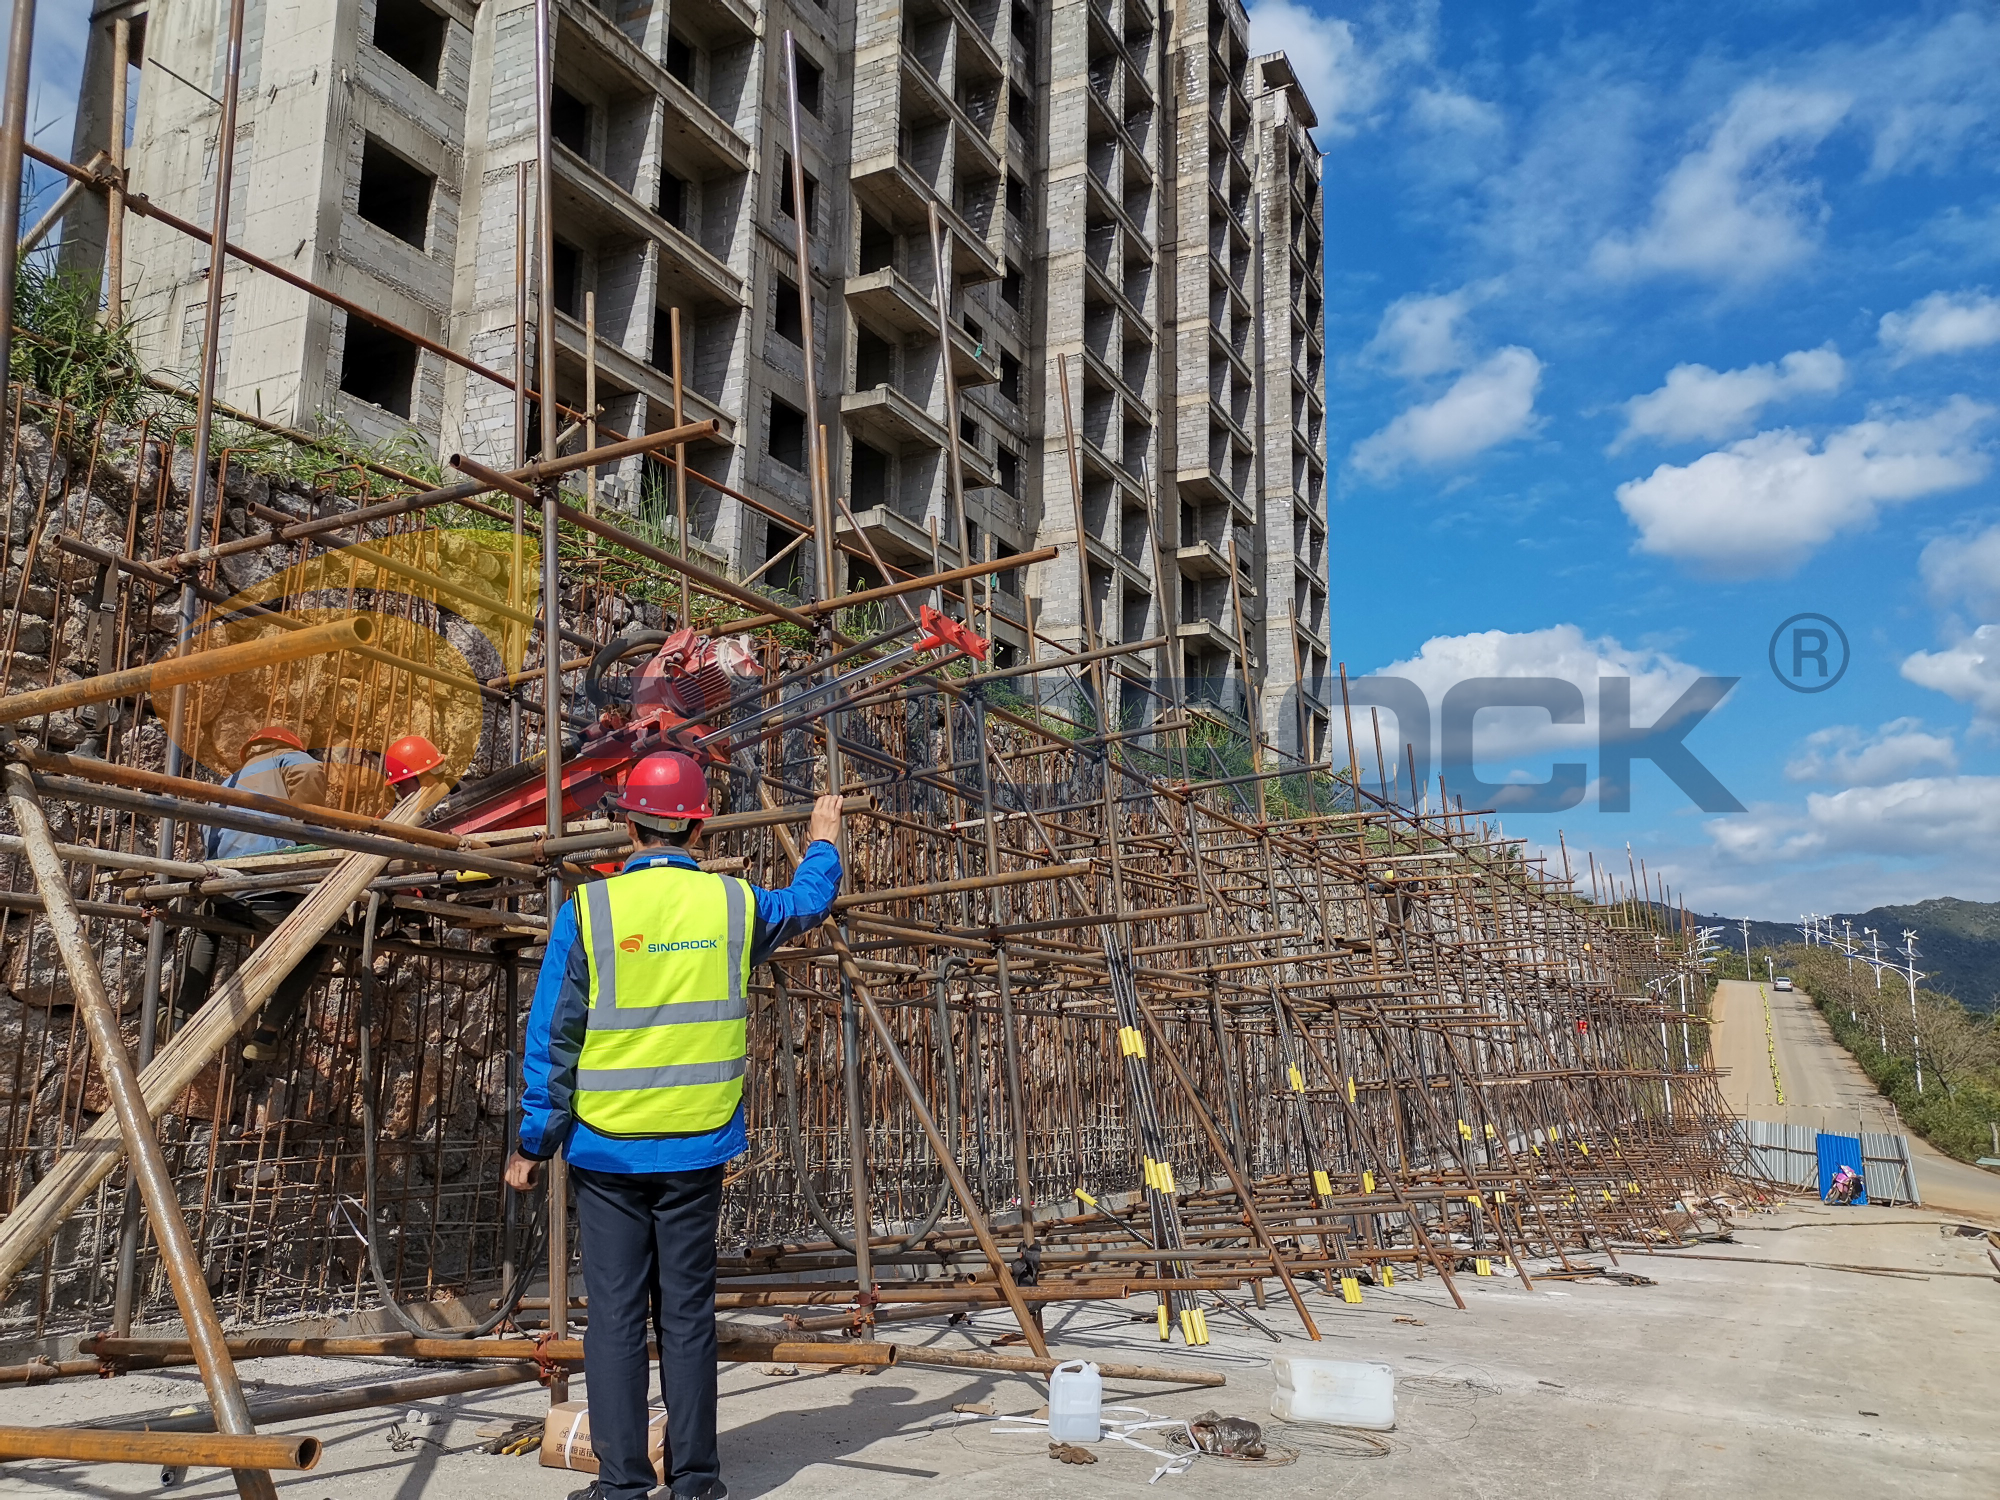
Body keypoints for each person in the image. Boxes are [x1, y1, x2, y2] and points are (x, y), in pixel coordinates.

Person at [507, 752, 846, 1500]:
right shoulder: (734, 907)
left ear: (628, 823)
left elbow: (553, 1036)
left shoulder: (588, 912)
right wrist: (823, 837)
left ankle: (623, 1485)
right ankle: (696, 1482)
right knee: (688, 1316)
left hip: (607, 1149)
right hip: (697, 1147)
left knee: (617, 1321)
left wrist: (533, 1141)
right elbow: (807, 902)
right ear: (698, 824)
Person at [173, 725, 332, 1063]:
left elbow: (206, 829)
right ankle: (268, 1033)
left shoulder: (227, 784)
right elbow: (308, 773)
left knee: (207, 926)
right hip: (267, 889)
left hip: (224, 890)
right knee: (321, 940)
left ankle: (180, 1015)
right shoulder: (291, 759)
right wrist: (306, 826)